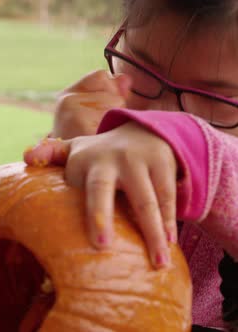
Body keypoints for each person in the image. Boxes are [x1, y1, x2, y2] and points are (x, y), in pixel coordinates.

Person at [24, 0, 238, 330]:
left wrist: (189, 146)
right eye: (141, 70)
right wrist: (64, 176)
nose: (157, 116)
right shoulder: (92, 136)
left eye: (214, 100)